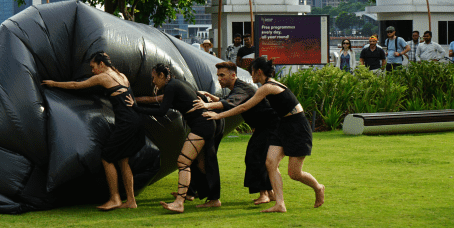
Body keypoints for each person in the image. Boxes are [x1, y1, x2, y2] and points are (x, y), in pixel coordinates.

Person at [205, 57, 324, 213]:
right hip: (282, 125)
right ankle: (280, 203)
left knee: (294, 173)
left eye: (251, 72)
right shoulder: (265, 86)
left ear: (258, 72)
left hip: (297, 127)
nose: (250, 75)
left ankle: (318, 187)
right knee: (270, 162)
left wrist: (218, 116)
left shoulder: (267, 87)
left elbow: (244, 107)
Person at [42, 52, 145, 211]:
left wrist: (54, 84)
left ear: (102, 64)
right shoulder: (122, 75)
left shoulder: (104, 77)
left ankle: (115, 198)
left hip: (126, 123)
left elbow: (77, 86)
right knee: (123, 160)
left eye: (93, 67)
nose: (92, 71)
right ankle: (131, 201)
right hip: (136, 120)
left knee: (106, 157)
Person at [134, 63, 218, 213]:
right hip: (205, 124)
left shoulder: (171, 86)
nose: (153, 81)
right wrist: (138, 103)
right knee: (202, 165)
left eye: (154, 78)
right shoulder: (177, 83)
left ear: (161, 76)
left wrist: (135, 108)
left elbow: (161, 111)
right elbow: (161, 104)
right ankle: (212, 199)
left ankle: (180, 202)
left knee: (183, 162)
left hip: (202, 126)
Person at [194, 61, 276, 206]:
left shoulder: (242, 88)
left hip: (270, 126)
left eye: (222, 75)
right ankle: (270, 193)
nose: (219, 78)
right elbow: (228, 100)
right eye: (218, 75)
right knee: (258, 157)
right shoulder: (237, 88)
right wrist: (213, 98)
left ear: (233, 75)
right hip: (265, 127)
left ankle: (264, 194)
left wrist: (207, 105)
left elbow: (230, 104)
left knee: (255, 157)